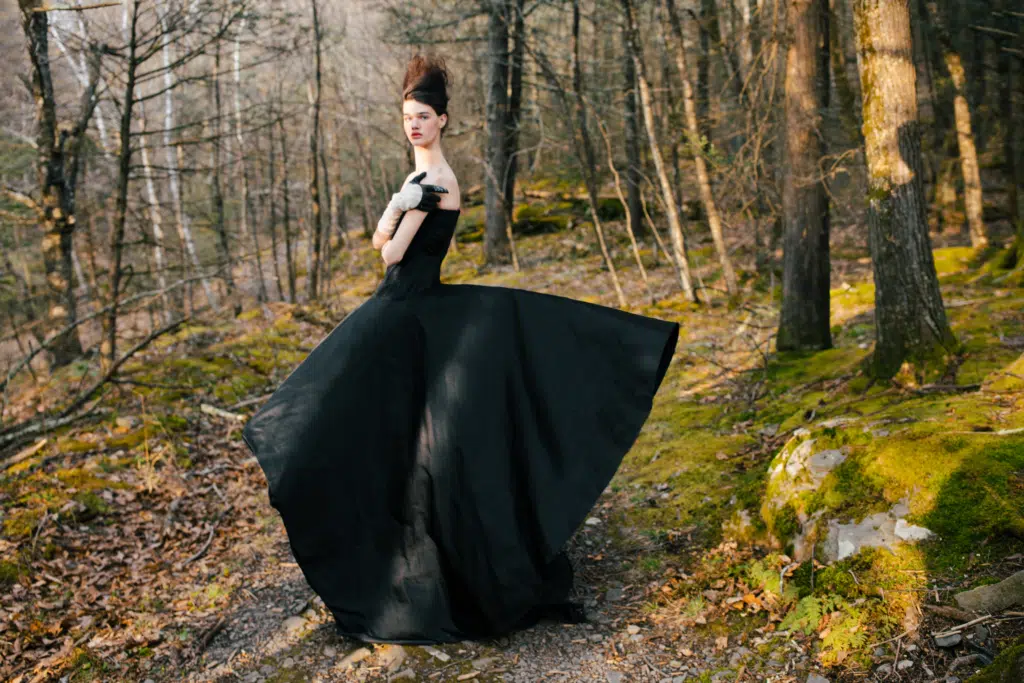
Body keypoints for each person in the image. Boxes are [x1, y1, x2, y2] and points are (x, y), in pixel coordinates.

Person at [241, 54, 680, 645]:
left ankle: (428, 579)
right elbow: (378, 241)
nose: (414, 125)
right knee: (378, 436)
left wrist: (400, 205)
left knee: (372, 429)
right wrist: (397, 205)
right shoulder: (416, 181)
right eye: (407, 117)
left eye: (423, 116)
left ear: (444, 120)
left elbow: (393, 255)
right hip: (398, 314)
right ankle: (387, 564)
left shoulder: (439, 180)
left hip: (409, 314)